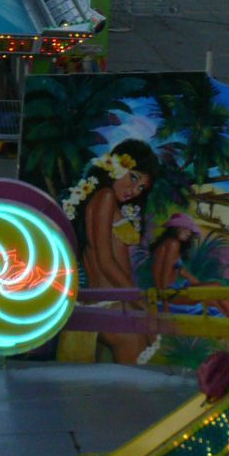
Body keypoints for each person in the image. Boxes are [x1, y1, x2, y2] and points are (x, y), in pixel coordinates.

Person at [71, 138, 160, 364]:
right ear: (116, 166)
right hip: (108, 304)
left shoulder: (107, 201)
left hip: (115, 302)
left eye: (141, 187)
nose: (134, 190)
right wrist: (139, 300)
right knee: (133, 384)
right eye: (133, 177)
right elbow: (104, 260)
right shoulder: (106, 197)